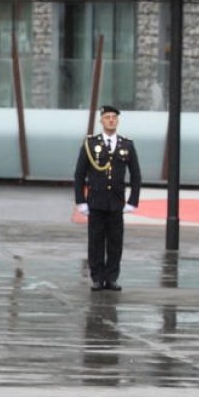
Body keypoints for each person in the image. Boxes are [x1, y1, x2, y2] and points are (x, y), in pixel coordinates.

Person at [74, 105, 141, 291]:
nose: (111, 120)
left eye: (114, 117)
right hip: (96, 201)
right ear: (101, 121)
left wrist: (133, 201)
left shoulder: (126, 145)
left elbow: (136, 175)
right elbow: (80, 174)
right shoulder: (90, 144)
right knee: (95, 241)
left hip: (116, 202)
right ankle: (97, 277)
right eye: (107, 117)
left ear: (117, 121)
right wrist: (80, 200)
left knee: (115, 241)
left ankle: (111, 277)